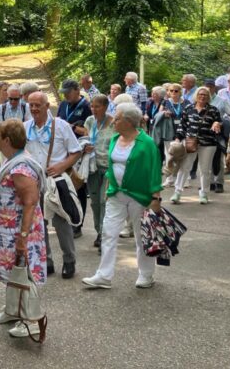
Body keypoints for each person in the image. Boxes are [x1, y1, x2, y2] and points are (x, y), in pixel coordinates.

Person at [82, 103, 162, 290]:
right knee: (108, 232)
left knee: (141, 237)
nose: (114, 121)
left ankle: (146, 274)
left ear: (128, 121)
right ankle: (103, 275)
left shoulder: (146, 143)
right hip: (116, 194)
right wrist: (109, 186)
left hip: (139, 196)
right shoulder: (115, 138)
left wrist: (156, 197)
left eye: (117, 118)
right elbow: (111, 166)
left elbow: (154, 170)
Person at [0, 119, 47, 338]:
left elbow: (30, 202)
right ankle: (13, 310)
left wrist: (23, 237)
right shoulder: (14, 160)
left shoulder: (21, 168)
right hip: (8, 230)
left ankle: (30, 320)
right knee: (14, 273)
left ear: (8, 140)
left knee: (25, 274)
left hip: (21, 232)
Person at [24, 91, 82, 278]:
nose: (34, 109)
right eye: (31, 105)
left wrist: (61, 166)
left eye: (37, 105)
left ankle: (69, 260)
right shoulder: (25, 127)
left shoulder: (62, 126)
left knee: (61, 221)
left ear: (47, 106)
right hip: (34, 183)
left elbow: (76, 151)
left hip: (56, 183)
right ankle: (46, 260)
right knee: (39, 223)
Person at [171, 87, 222, 205]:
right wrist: (178, 139)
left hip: (208, 144)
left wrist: (217, 123)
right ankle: (177, 192)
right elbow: (182, 125)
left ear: (208, 96)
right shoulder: (188, 108)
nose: (202, 96)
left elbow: (219, 122)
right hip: (190, 142)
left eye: (205, 94)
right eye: (200, 94)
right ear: (196, 95)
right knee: (184, 167)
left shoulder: (213, 110)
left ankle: (204, 193)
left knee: (205, 170)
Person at [57, 80, 91, 238]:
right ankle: (67, 220)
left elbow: (90, 131)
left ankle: (78, 223)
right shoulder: (63, 105)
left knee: (79, 188)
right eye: (64, 92)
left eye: (68, 92)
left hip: (80, 152)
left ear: (77, 90)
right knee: (64, 188)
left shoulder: (86, 107)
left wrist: (72, 128)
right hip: (63, 152)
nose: (65, 95)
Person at [82, 94, 115, 250]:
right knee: (95, 202)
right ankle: (98, 231)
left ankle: (104, 235)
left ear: (106, 107)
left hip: (108, 168)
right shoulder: (89, 121)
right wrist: (85, 146)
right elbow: (87, 139)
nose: (94, 109)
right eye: (92, 106)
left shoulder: (114, 124)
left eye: (97, 106)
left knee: (104, 201)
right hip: (92, 167)